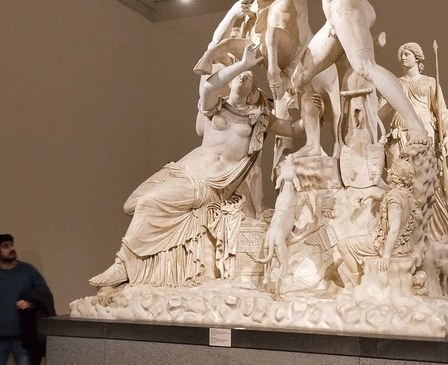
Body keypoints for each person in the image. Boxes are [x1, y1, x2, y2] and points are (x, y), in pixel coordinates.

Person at [90, 44, 302, 288]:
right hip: (184, 170)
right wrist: (244, 63)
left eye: (249, 78)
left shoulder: (259, 118)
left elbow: (293, 129)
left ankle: (123, 265)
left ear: (253, 91)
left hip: (209, 183)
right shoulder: (215, 106)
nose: (243, 77)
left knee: (149, 203)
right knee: (132, 204)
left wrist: (312, 108)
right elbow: (209, 86)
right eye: (238, 75)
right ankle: (146, 256)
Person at [266, 0, 428, 157]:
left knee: (365, 66)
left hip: (345, 7)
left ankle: (415, 124)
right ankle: (313, 144)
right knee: (299, 77)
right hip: (336, 17)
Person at [385, 42, 448, 247]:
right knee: (399, 184)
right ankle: (401, 232)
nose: (403, 57)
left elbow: (441, 110)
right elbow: (380, 110)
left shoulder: (430, 82)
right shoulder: (395, 83)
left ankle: (431, 232)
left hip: (424, 135)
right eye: (401, 55)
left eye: (407, 54)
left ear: (417, 57)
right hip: (399, 137)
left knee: (425, 182)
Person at [336, 159, 418, 288]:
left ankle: (358, 285)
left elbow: (394, 229)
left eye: (391, 170)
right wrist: (370, 196)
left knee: (342, 245)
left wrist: (386, 256)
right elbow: (386, 196)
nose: (388, 171)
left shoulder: (394, 198)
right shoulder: (406, 194)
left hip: (389, 246)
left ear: (395, 176)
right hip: (403, 246)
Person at [0, 234, 54, 365]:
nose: (12, 249)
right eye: (6, 246)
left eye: (12, 245)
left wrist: (30, 304)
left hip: (22, 336)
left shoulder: (28, 271)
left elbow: (45, 296)